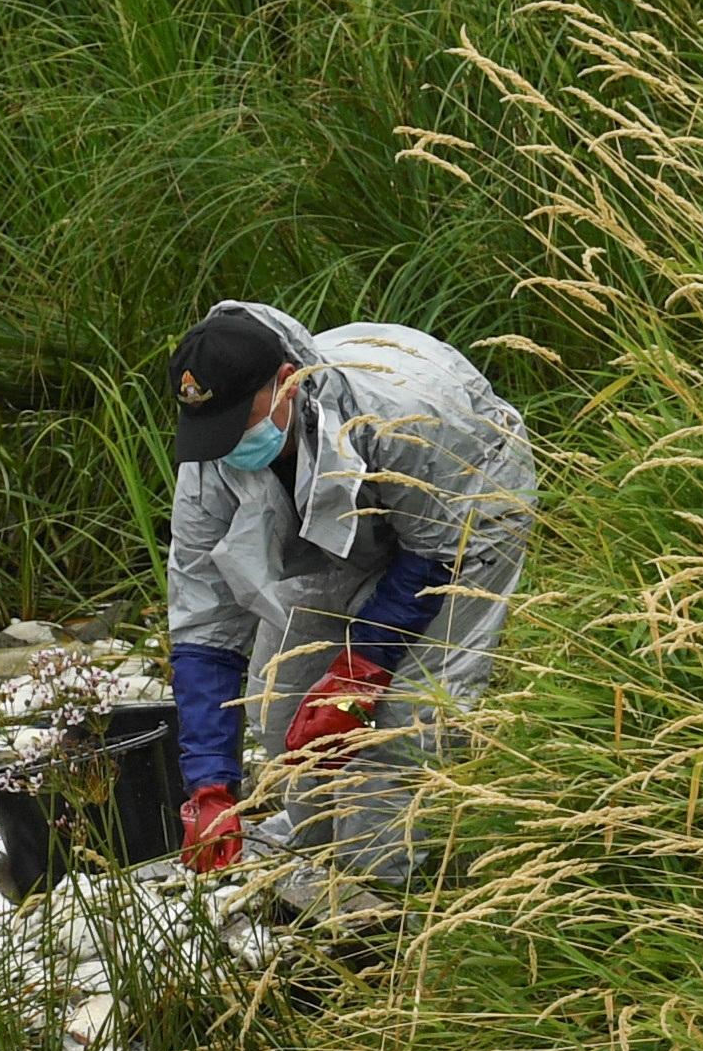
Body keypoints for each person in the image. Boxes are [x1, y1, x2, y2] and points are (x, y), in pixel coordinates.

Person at [158, 302, 532, 894]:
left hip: (464, 499)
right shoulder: (212, 457)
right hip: (340, 523)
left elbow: (433, 552)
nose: (225, 443)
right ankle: (321, 853)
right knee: (284, 712)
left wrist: (360, 674)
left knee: (406, 720)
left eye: (237, 421)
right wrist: (209, 783)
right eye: (212, 427)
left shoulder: (403, 419)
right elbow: (204, 620)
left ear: (288, 383)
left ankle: (391, 898)